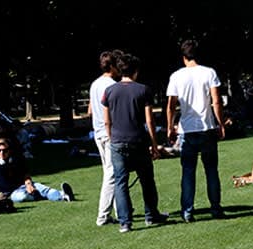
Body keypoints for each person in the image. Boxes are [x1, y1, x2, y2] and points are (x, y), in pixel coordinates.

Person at [102, 52, 168, 233]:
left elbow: (106, 120)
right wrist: (154, 144)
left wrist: (110, 136)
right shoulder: (143, 90)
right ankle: (151, 214)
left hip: (117, 141)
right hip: (138, 140)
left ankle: (125, 222)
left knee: (120, 182)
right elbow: (149, 120)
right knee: (147, 180)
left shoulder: (109, 91)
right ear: (135, 71)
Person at [165, 39, 225, 222]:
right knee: (211, 171)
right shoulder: (209, 73)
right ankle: (215, 208)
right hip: (207, 128)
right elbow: (216, 100)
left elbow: (170, 105)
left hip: (187, 129)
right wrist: (220, 123)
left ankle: (187, 211)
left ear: (184, 58)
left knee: (188, 172)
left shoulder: (176, 76)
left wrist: (169, 127)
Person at [88, 49, 122, 226]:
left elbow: (91, 110)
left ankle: (120, 209)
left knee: (111, 172)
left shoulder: (95, 84)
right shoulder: (111, 86)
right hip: (109, 133)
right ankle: (103, 215)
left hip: (98, 132)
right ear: (113, 66)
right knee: (112, 174)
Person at [0, 138, 74, 202]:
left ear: (9, 150)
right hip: (11, 192)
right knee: (21, 197)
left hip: (24, 184)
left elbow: (25, 174)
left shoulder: (18, 159)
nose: (2, 153)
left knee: (45, 189)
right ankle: (38, 196)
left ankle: (63, 196)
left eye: (5, 150)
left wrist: (29, 184)